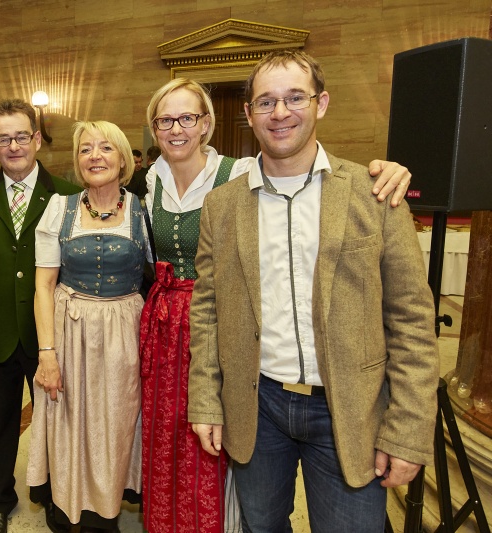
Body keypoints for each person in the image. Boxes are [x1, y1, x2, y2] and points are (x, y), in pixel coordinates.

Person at [139, 77, 414, 533]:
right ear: (250, 114)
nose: (280, 113)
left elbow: (409, 320)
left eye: (293, 99)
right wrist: (207, 399)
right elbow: (208, 303)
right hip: (256, 392)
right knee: (260, 522)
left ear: (321, 103)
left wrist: (406, 429)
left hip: (344, 402)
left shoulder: (366, 191)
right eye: (266, 102)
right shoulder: (198, 195)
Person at [0, 99, 81, 533]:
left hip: (50, 335)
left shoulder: (67, 195)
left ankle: (53, 496)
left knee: (56, 424)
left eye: (21, 136)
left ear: (37, 138)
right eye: (3, 138)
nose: (13, 146)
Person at [27, 121, 146, 533]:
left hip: (122, 335)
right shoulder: (59, 208)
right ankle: (66, 505)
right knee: (68, 423)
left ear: (123, 158)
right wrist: (47, 354)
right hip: (68, 330)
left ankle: (104, 512)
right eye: (85, 149)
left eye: (105, 147)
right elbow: (43, 285)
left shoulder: (143, 209)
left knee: (115, 423)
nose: (95, 156)